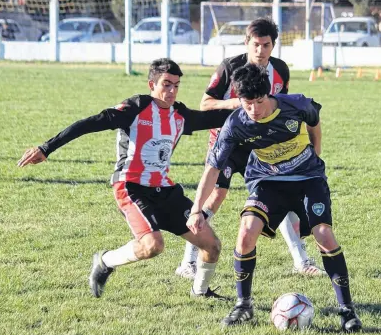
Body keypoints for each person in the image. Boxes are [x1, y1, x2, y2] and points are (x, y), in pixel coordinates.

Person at [17, 58, 234, 300]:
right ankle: (104, 261)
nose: (171, 91)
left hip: (164, 190)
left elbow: (216, 118)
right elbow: (89, 124)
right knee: (153, 246)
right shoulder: (135, 108)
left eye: (176, 85)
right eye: (166, 84)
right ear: (151, 84)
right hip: (131, 188)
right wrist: (46, 148)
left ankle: (200, 292)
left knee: (212, 245)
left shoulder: (180, 115)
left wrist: (256, 106)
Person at [186, 63, 362, 332]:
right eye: (247, 103)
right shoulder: (235, 123)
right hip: (268, 182)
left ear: (268, 95)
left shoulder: (297, 105)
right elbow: (212, 169)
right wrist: (197, 209)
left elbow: (314, 122)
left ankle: (347, 311)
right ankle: (243, 305)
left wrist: (316, 153)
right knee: (245, 233)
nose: (254, 110)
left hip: (308, 179)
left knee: (324, 235)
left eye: (258, 102)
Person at [175, 17, 324, 280]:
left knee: (283, 192)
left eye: (266, 45)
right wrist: (237, 103)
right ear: (247, 42)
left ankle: (301, 260)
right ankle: (188, 261)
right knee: (216, 197)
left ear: (273, 45)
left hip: (262, 146)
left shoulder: (280, 69)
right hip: (229, 143)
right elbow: (206, 103)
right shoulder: (229, 67)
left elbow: (281, 104)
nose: (260, 50)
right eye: (255, 44)